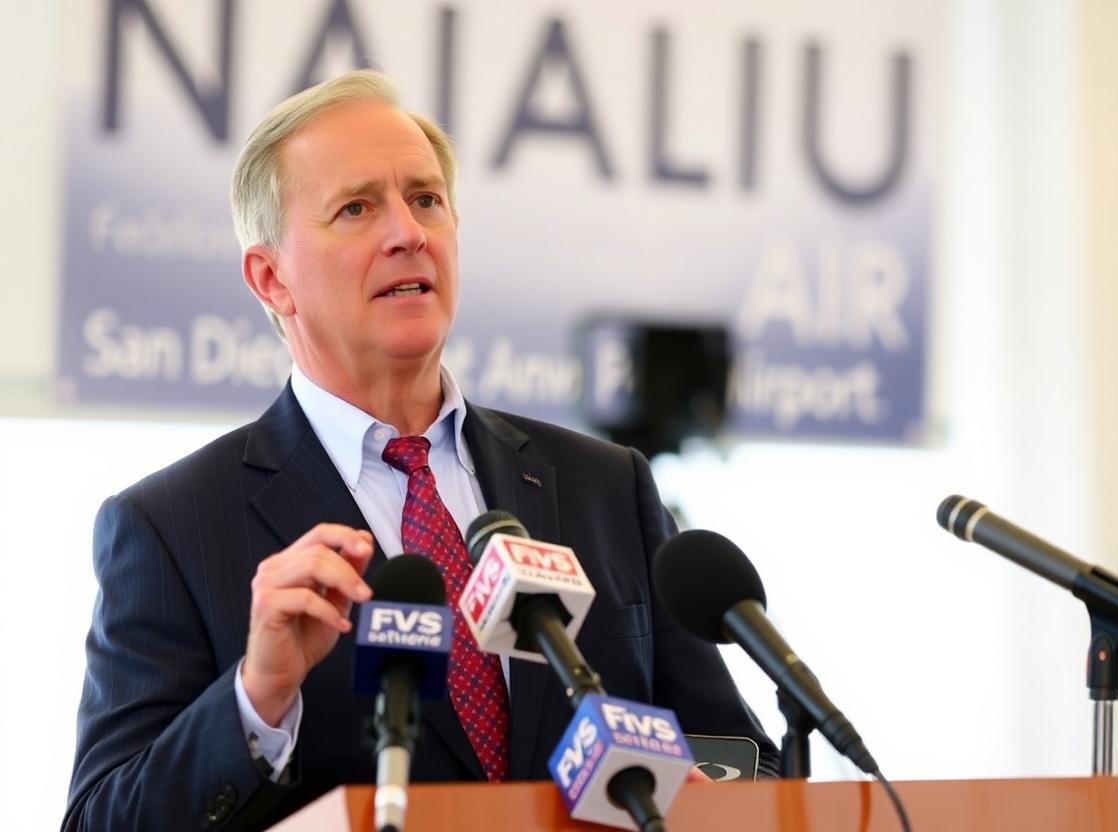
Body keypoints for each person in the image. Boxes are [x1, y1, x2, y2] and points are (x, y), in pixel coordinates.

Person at [63, 69, 778, 832]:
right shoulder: (171, 527)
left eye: (426, 199)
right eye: (357, 207)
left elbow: (741, 756)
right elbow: (101, 818)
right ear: (271, 278)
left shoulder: (605, 486)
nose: (407, 231)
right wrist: (255, 700)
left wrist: (720, 799)